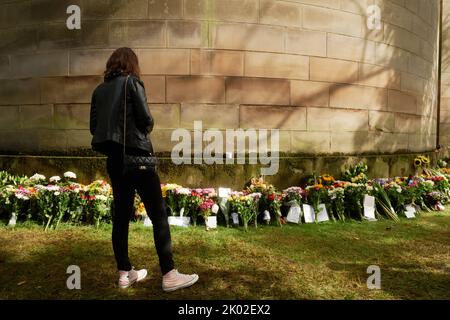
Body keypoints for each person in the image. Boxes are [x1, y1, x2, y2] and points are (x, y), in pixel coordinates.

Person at [89, 47, 198, 292]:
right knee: (158, 215)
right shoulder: (132, 83)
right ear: (132, 64)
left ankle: (124, 273)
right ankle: (169, 274)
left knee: (121, 217)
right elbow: (146, 120)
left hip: (115, 160)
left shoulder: (99, 91)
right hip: (138, 157)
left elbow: (93, 126)